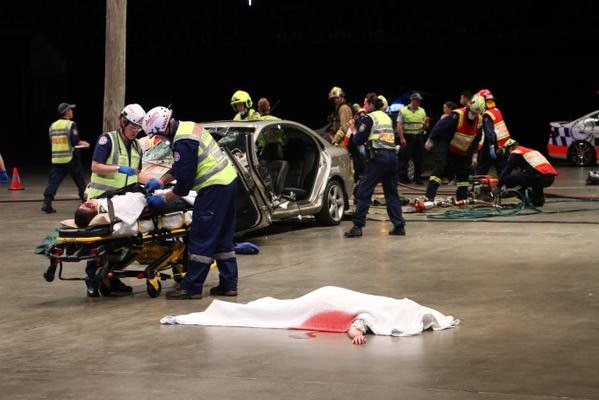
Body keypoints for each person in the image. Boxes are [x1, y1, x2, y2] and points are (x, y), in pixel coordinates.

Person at [142, 106, 239, 300]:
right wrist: (160, 181)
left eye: (157, 136)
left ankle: (192, 287)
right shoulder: (187, 128)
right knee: (222, 237)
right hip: (228, 182)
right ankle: (229, 284)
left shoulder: (183, 141)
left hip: (214, 188)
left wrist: (163, 199)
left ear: (163, 129)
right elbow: (180, 168)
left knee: (201, 236)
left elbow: (183, 186)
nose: (158, 140)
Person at [159, 286, 459, 346]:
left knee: (274, 309)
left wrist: (356, 330)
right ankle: (208, 313)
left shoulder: (388, 304)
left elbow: (362, 318)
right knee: (275, 313)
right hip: (326, 300)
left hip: (329, 295)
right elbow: (361, 320)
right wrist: (356, 332)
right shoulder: (382, 311)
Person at [83, 104, 157, 297]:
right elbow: (95, 166)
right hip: (101, 200)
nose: (135, 131)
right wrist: (117, 168)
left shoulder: (137, 146)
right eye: (132, 127)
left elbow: (137, 174)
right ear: (122, 122)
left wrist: (157, 182)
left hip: (123, 201)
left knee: (121, 241)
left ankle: (111, 278)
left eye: (138, 128)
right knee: (99, 242)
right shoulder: (107, 140)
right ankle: (92, 279)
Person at [345, 93, 406, 238]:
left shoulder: (369, 118)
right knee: (391, 193)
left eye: (365, 104)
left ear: (371, 105)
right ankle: (399, 226)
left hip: (378, 158)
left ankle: (357, 227)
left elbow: (358, 140)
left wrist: (353, 128)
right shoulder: (386, 117)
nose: (363, 106)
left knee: (363, 192)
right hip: (392, 157)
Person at [424, 94, 485, 201]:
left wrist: (474, 154)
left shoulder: (479, 120)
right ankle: (429, 196)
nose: (474, 115)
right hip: (447, 144)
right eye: (473, 112)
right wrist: (431, 139)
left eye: (476, 113)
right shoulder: (457, 115)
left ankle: (462, 197)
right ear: (469, 106)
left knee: (464, 172)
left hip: (462, 149)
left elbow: (477, 138)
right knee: (440, 168)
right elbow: (440, 126)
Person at [41, 103, 90, 213]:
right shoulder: (70, 124)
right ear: (66, 112)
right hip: (70, 157)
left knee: (53, 182)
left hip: (57, 158)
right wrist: (85, 144)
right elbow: (74, 141)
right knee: (80, 180)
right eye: (70, 110)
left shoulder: (53, 126)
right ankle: (86, 201)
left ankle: (47, 202)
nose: (72, 112)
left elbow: (52, 140)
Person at [498, 139, 557, 207]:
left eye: (507, 154)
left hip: (539, 177)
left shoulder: (515, 153)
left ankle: (527, 200)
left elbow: (505, 172)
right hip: (550, 178)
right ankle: (538, 201)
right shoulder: (530, 151)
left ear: (510, 148)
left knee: (508, 178)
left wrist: (498, 187)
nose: (508, 156)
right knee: (531, 176)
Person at [475, 89, 512, 176]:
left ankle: (478, 188)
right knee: (502, 168)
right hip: (502, 144)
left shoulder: (487, 114)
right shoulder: (497, 111)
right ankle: (505, 187)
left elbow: (489, 132)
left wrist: (491, 146)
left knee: (481, 170)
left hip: (489, 145)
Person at [396, 92, 430, 184]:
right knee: (404, 158)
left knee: (419, 158)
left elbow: (425, 127)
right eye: (418, 100)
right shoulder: (403, 110)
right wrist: (402, 138)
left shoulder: (422, 111)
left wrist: (426, 123)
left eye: (420, 101)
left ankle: (417, 177)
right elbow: (399, 125)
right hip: (407, 137)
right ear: (412, 100)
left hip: (418, 136)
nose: (419, 102)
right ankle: (403, 177)